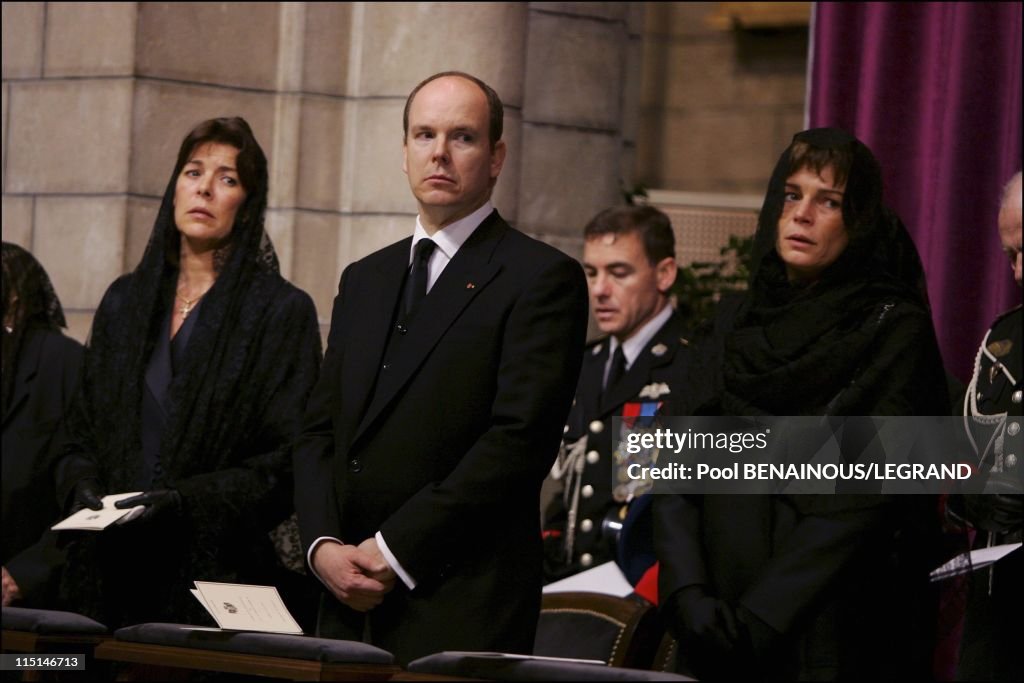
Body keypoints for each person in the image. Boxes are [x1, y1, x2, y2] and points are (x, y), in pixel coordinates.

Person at [293, 71, 589, 664]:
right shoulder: (364, 279)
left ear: (497, 156)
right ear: (403, 153)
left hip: (458, 601)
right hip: (344, 598)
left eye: (463, 137)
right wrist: (323, 544)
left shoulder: (540, 278)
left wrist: (392, 550)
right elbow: (319, 429)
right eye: (424, 135)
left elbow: (517, 444)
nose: (440, 153)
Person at [654, 128, 949, 680]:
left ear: (857, 220)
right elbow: (672, 471)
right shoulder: (731, 321)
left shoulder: (891, 328)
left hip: (824, 629)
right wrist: (688, 595)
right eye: (792, 195)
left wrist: (760, 619)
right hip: (709, 621)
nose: (802, 214)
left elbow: (868, 497)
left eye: (829, 201)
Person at [54, 117, 322, 629]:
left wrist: (184, 502)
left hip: (213, 578)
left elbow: (287, 460)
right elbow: (78, 431)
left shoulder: (280, 312)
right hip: (107, 575)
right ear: (173, 187)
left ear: (247, 204)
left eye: (227, 179)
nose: (204, 187)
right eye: (193, 172)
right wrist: (80, 483)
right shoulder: (124, 301)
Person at [542, 205, 692, 583]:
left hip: (644, 587)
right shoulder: (585, 364)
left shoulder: (691, 362)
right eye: (592, 272)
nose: (600, 290)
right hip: (572, 580)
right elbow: (572, 485)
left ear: (664, 274)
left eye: (619, 272)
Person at [954, 170, 1022, 681]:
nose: (1018, 273)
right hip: (1001, 597)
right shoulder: (1006, 340)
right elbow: (970, 455)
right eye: (1011, 255)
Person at [2, 243, 84, 607]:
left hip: (38, 597)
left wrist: (24, 574)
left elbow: (88, 483)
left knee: (54, 666)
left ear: (15, 299)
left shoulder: (64, 363)